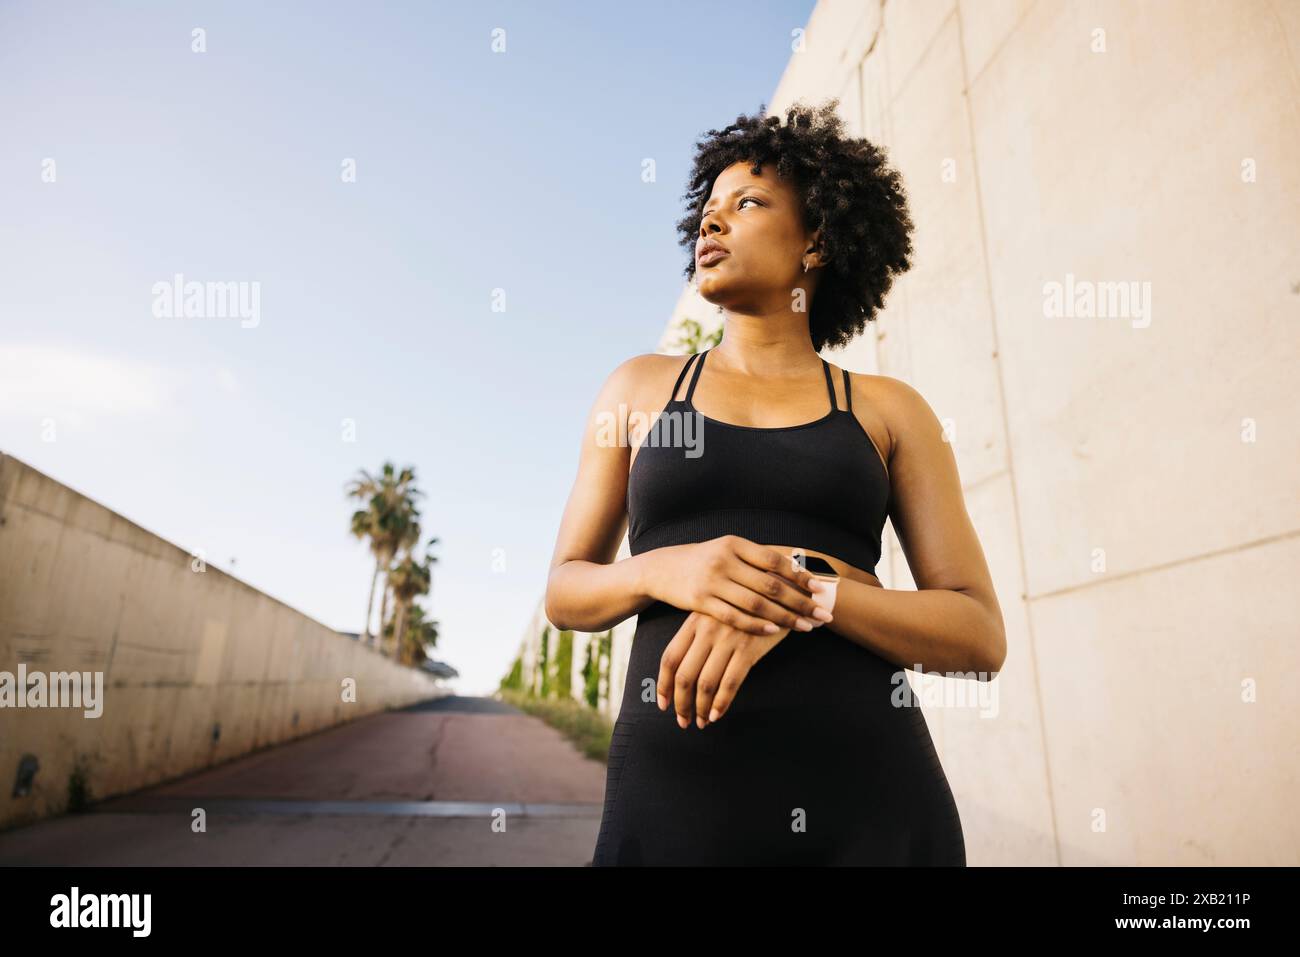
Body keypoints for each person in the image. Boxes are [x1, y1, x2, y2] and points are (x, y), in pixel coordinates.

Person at [545, 99, 1006, 866]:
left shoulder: (889, 410)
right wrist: (673, 568)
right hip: (674, 797)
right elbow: (566, 591)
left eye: (747, 203)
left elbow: (977, 633)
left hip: (870, 797)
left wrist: (806, 586)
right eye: (709, 209)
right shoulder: (637, 389)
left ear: (816, 241)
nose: (711, 224)